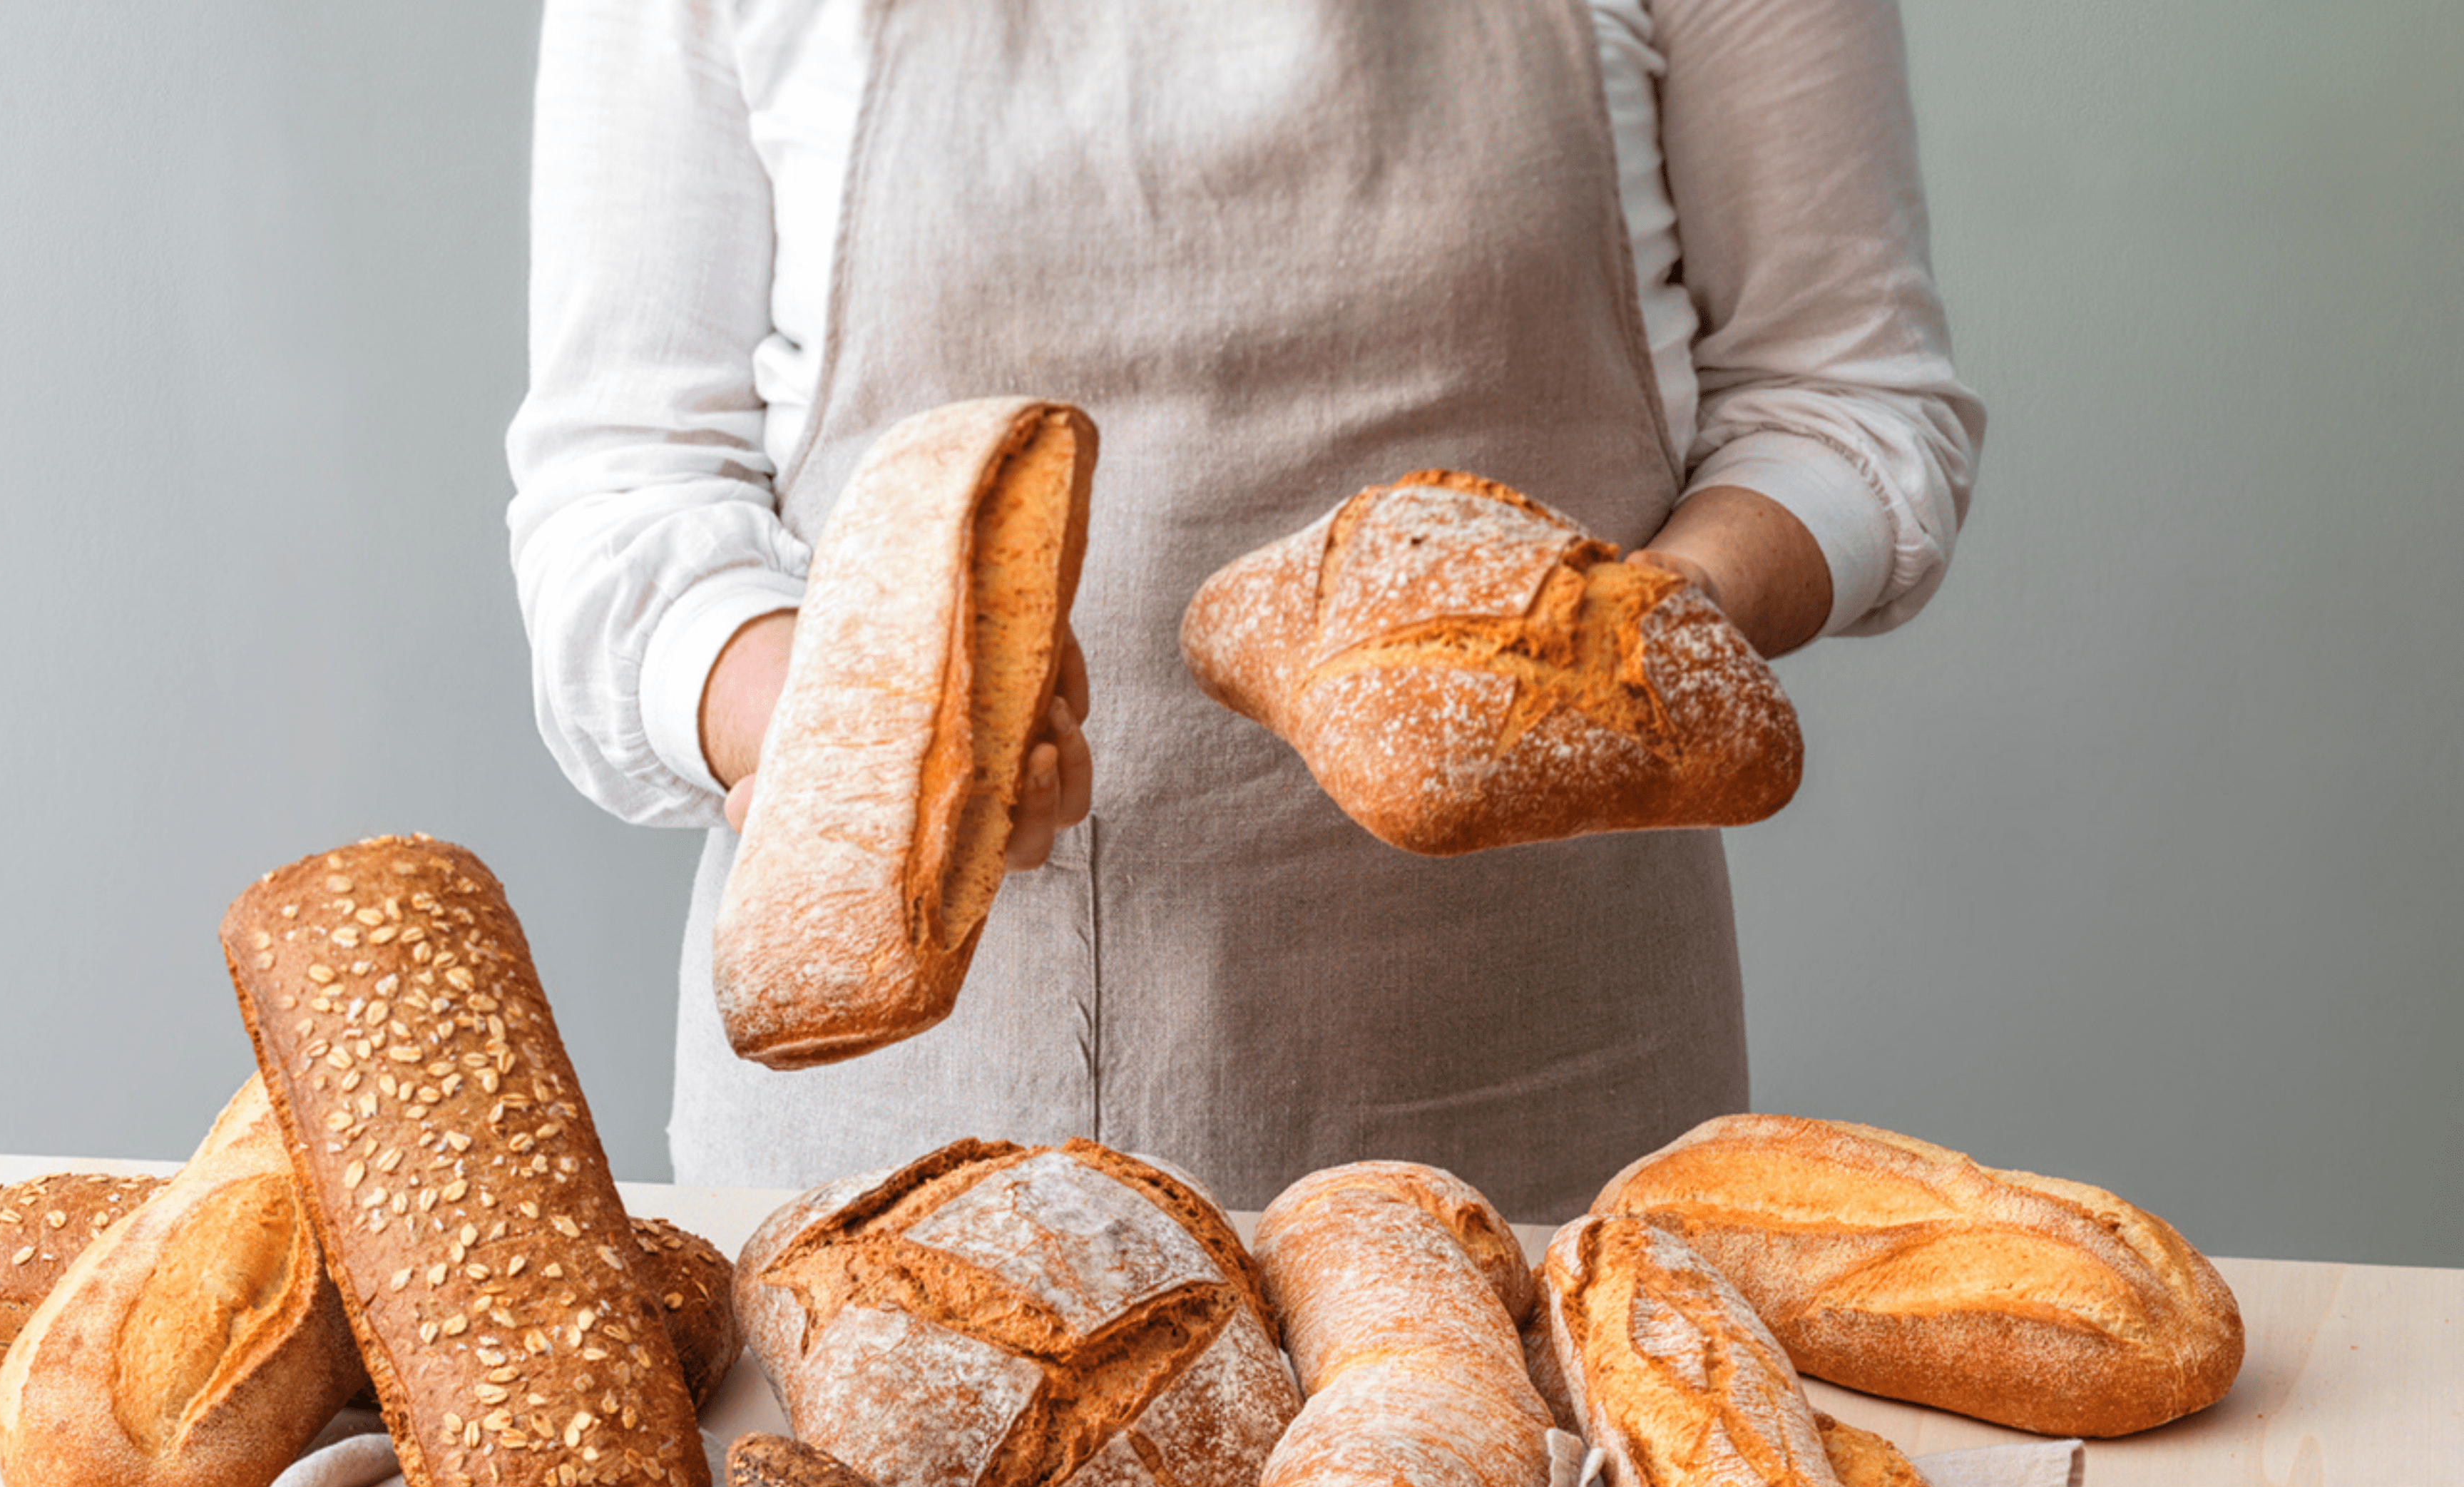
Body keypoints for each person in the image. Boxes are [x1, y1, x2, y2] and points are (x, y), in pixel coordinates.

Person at [507, 0, 1981, 1221]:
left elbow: (1843, 400)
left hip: (1536, 1134)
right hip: (900, 1171)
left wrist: (1629, 649)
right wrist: (859, 742)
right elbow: (624, 491)